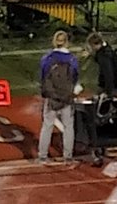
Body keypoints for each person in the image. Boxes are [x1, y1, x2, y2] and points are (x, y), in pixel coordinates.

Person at [37, 30, 79, 164]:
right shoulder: (72, 59)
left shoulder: (47, 58)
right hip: (67, 97)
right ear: (67, 42)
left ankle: (43, 156)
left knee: (47, 125)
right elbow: (75, 77)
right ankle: (68, 156)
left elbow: (43, 77)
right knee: (68, 126)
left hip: (52, 97)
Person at [85, 32, 117, 98]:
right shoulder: (107, 50)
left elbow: (108, 74)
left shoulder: (103, 56)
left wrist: (107, 92)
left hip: (113, 84)